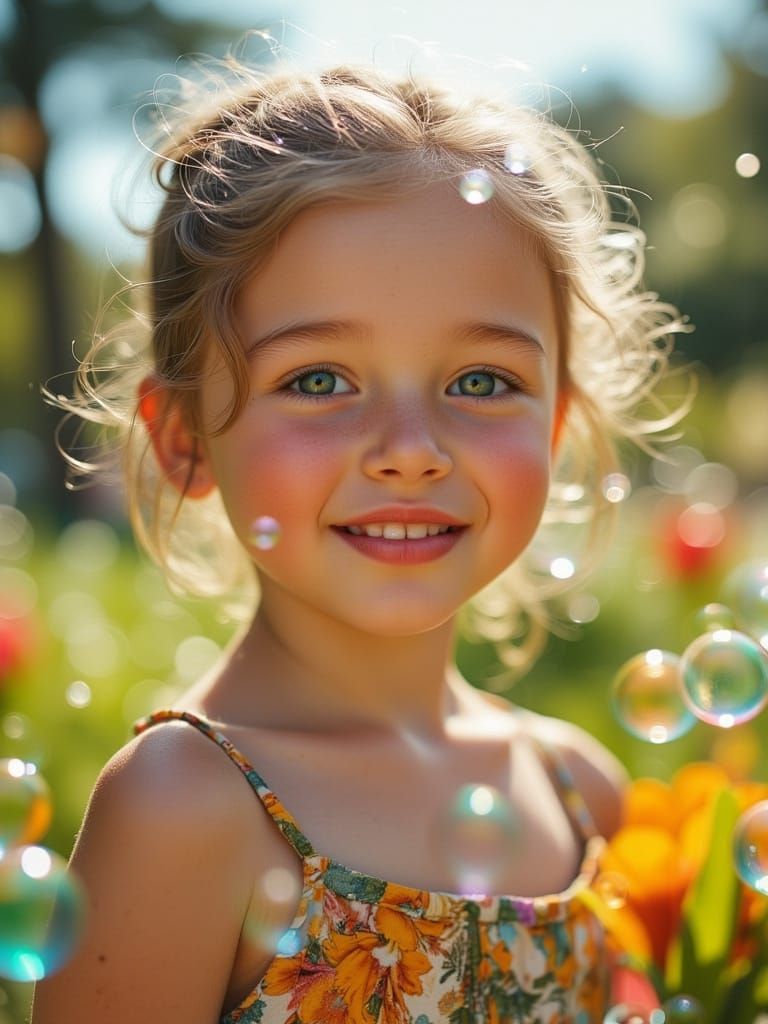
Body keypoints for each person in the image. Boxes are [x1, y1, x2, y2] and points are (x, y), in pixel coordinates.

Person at [32, 60, 687, 1024]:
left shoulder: (581, 792)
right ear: (184, 439)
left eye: (481, 381)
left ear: (554, 426)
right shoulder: (184, 807)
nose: (411, 451)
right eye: (319, 380)